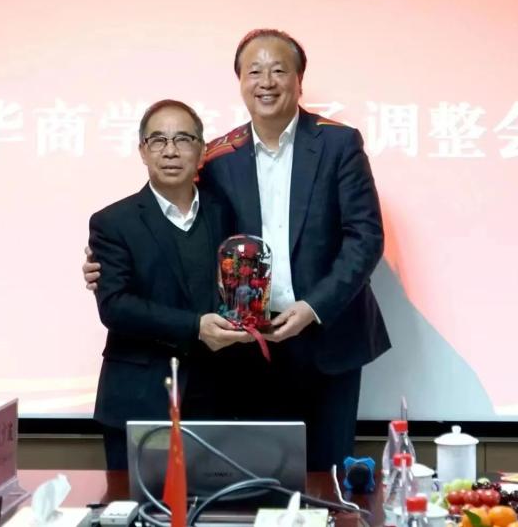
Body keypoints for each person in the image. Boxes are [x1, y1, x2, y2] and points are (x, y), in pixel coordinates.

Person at [86, 29, 391, 470]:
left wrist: (312, 307)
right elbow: (172, 218)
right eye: (254, 71)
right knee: (262, 477)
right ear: (240, 82)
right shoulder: (219, 155)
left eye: (278, 70)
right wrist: (106, 263)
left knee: (327, 476)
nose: (266, 82)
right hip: (251, 348)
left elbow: (366, 237)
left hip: (327, 336)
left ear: (299, 80)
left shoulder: (338, 143)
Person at [88, 99, 252, 470]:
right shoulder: (113, 222)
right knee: (136, 503)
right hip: (140, 398)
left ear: (201, 149)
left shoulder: (227, 214)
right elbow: (115, 306)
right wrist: (195, 327)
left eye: (183, 139)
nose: (170, 151)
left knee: (216, 503)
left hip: (217, 399)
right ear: (142, 151)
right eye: (158, 140)